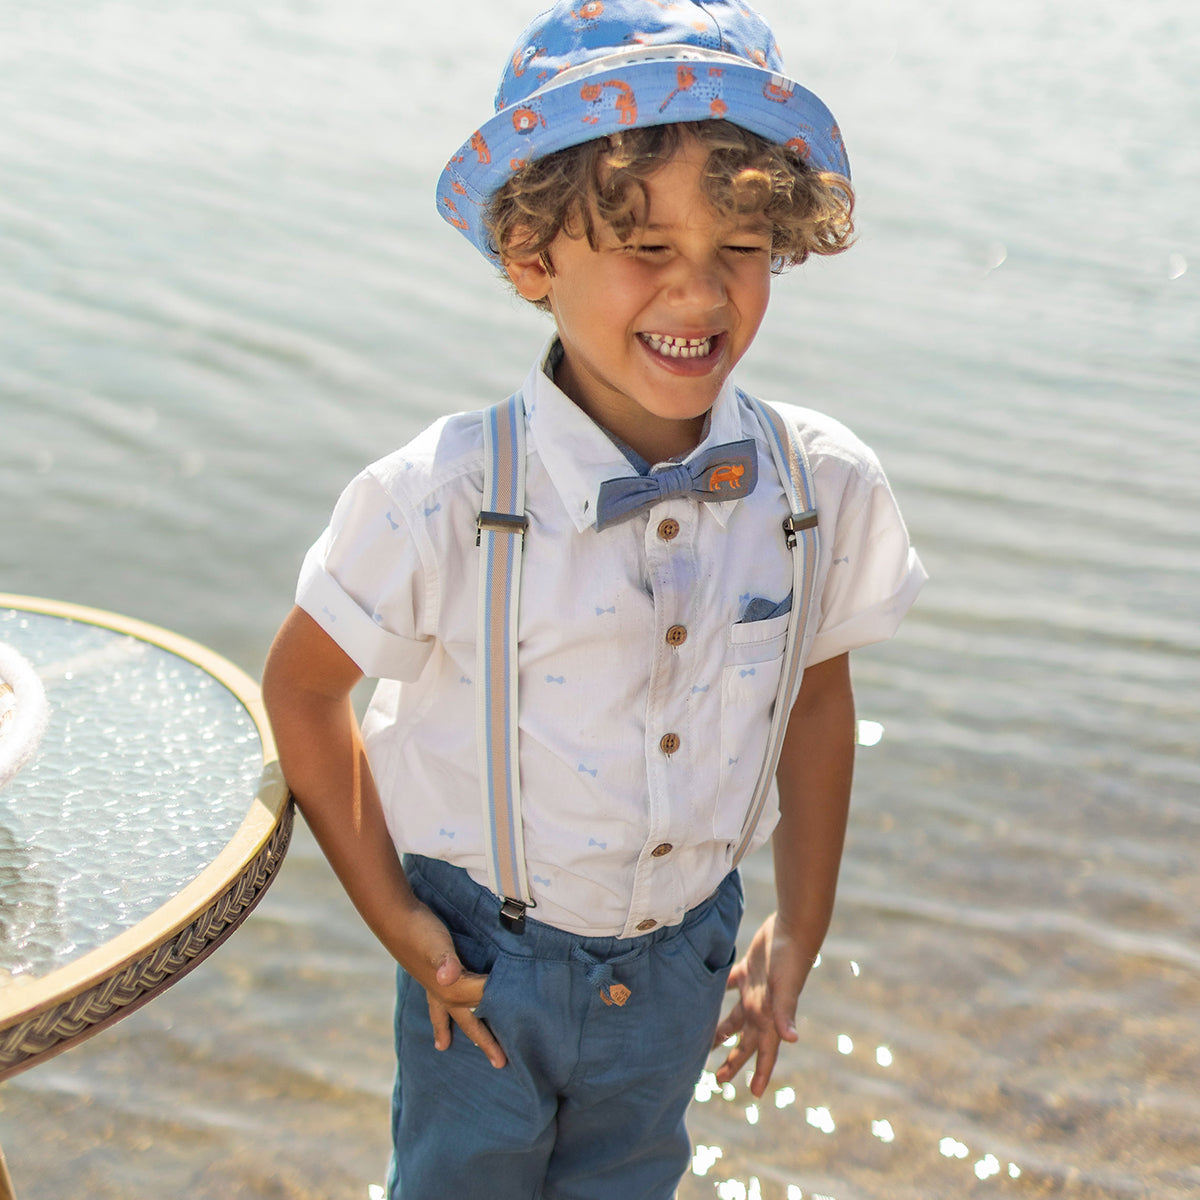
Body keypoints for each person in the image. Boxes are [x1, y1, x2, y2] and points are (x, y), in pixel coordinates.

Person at [261, 2, 926, 1196]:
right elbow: (305, 692)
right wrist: (399, 924)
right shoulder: (444, 497)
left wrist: (800, 929)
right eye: (645, 246)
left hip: (685, 960)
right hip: (481, 965)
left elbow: (816, 706)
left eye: (737, 247)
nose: (698, 295)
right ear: (533, 256)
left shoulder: (816, 489)